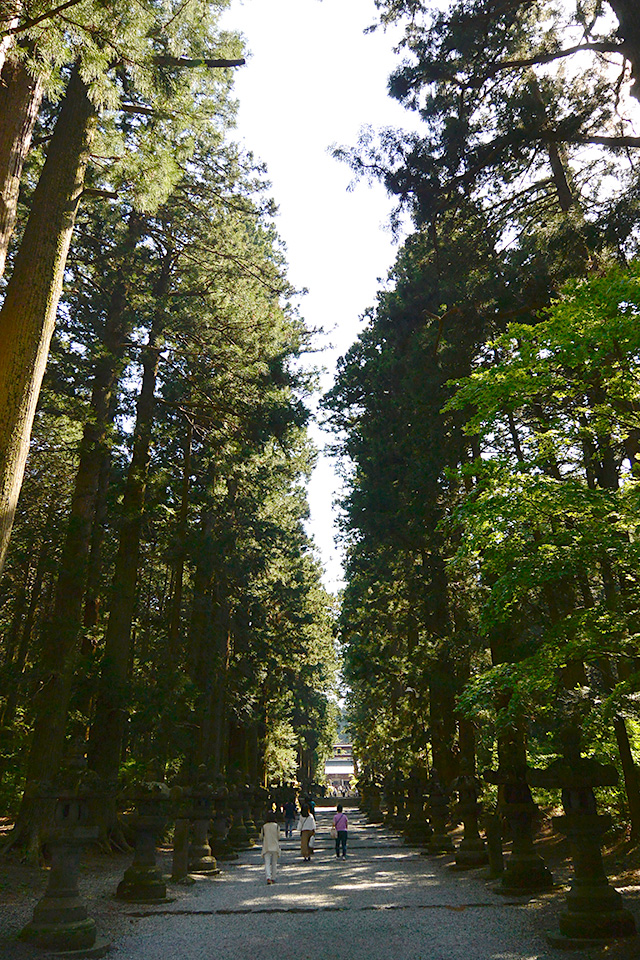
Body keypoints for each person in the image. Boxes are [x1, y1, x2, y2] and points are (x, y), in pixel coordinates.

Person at [260, 810, 281, 884]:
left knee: (267, 863)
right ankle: (273, 877)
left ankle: (268, 877)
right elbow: (278, 836)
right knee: (274, 863)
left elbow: (261, 836)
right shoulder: (276, 826)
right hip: (275, 846)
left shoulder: (264, 826)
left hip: (266, 846)